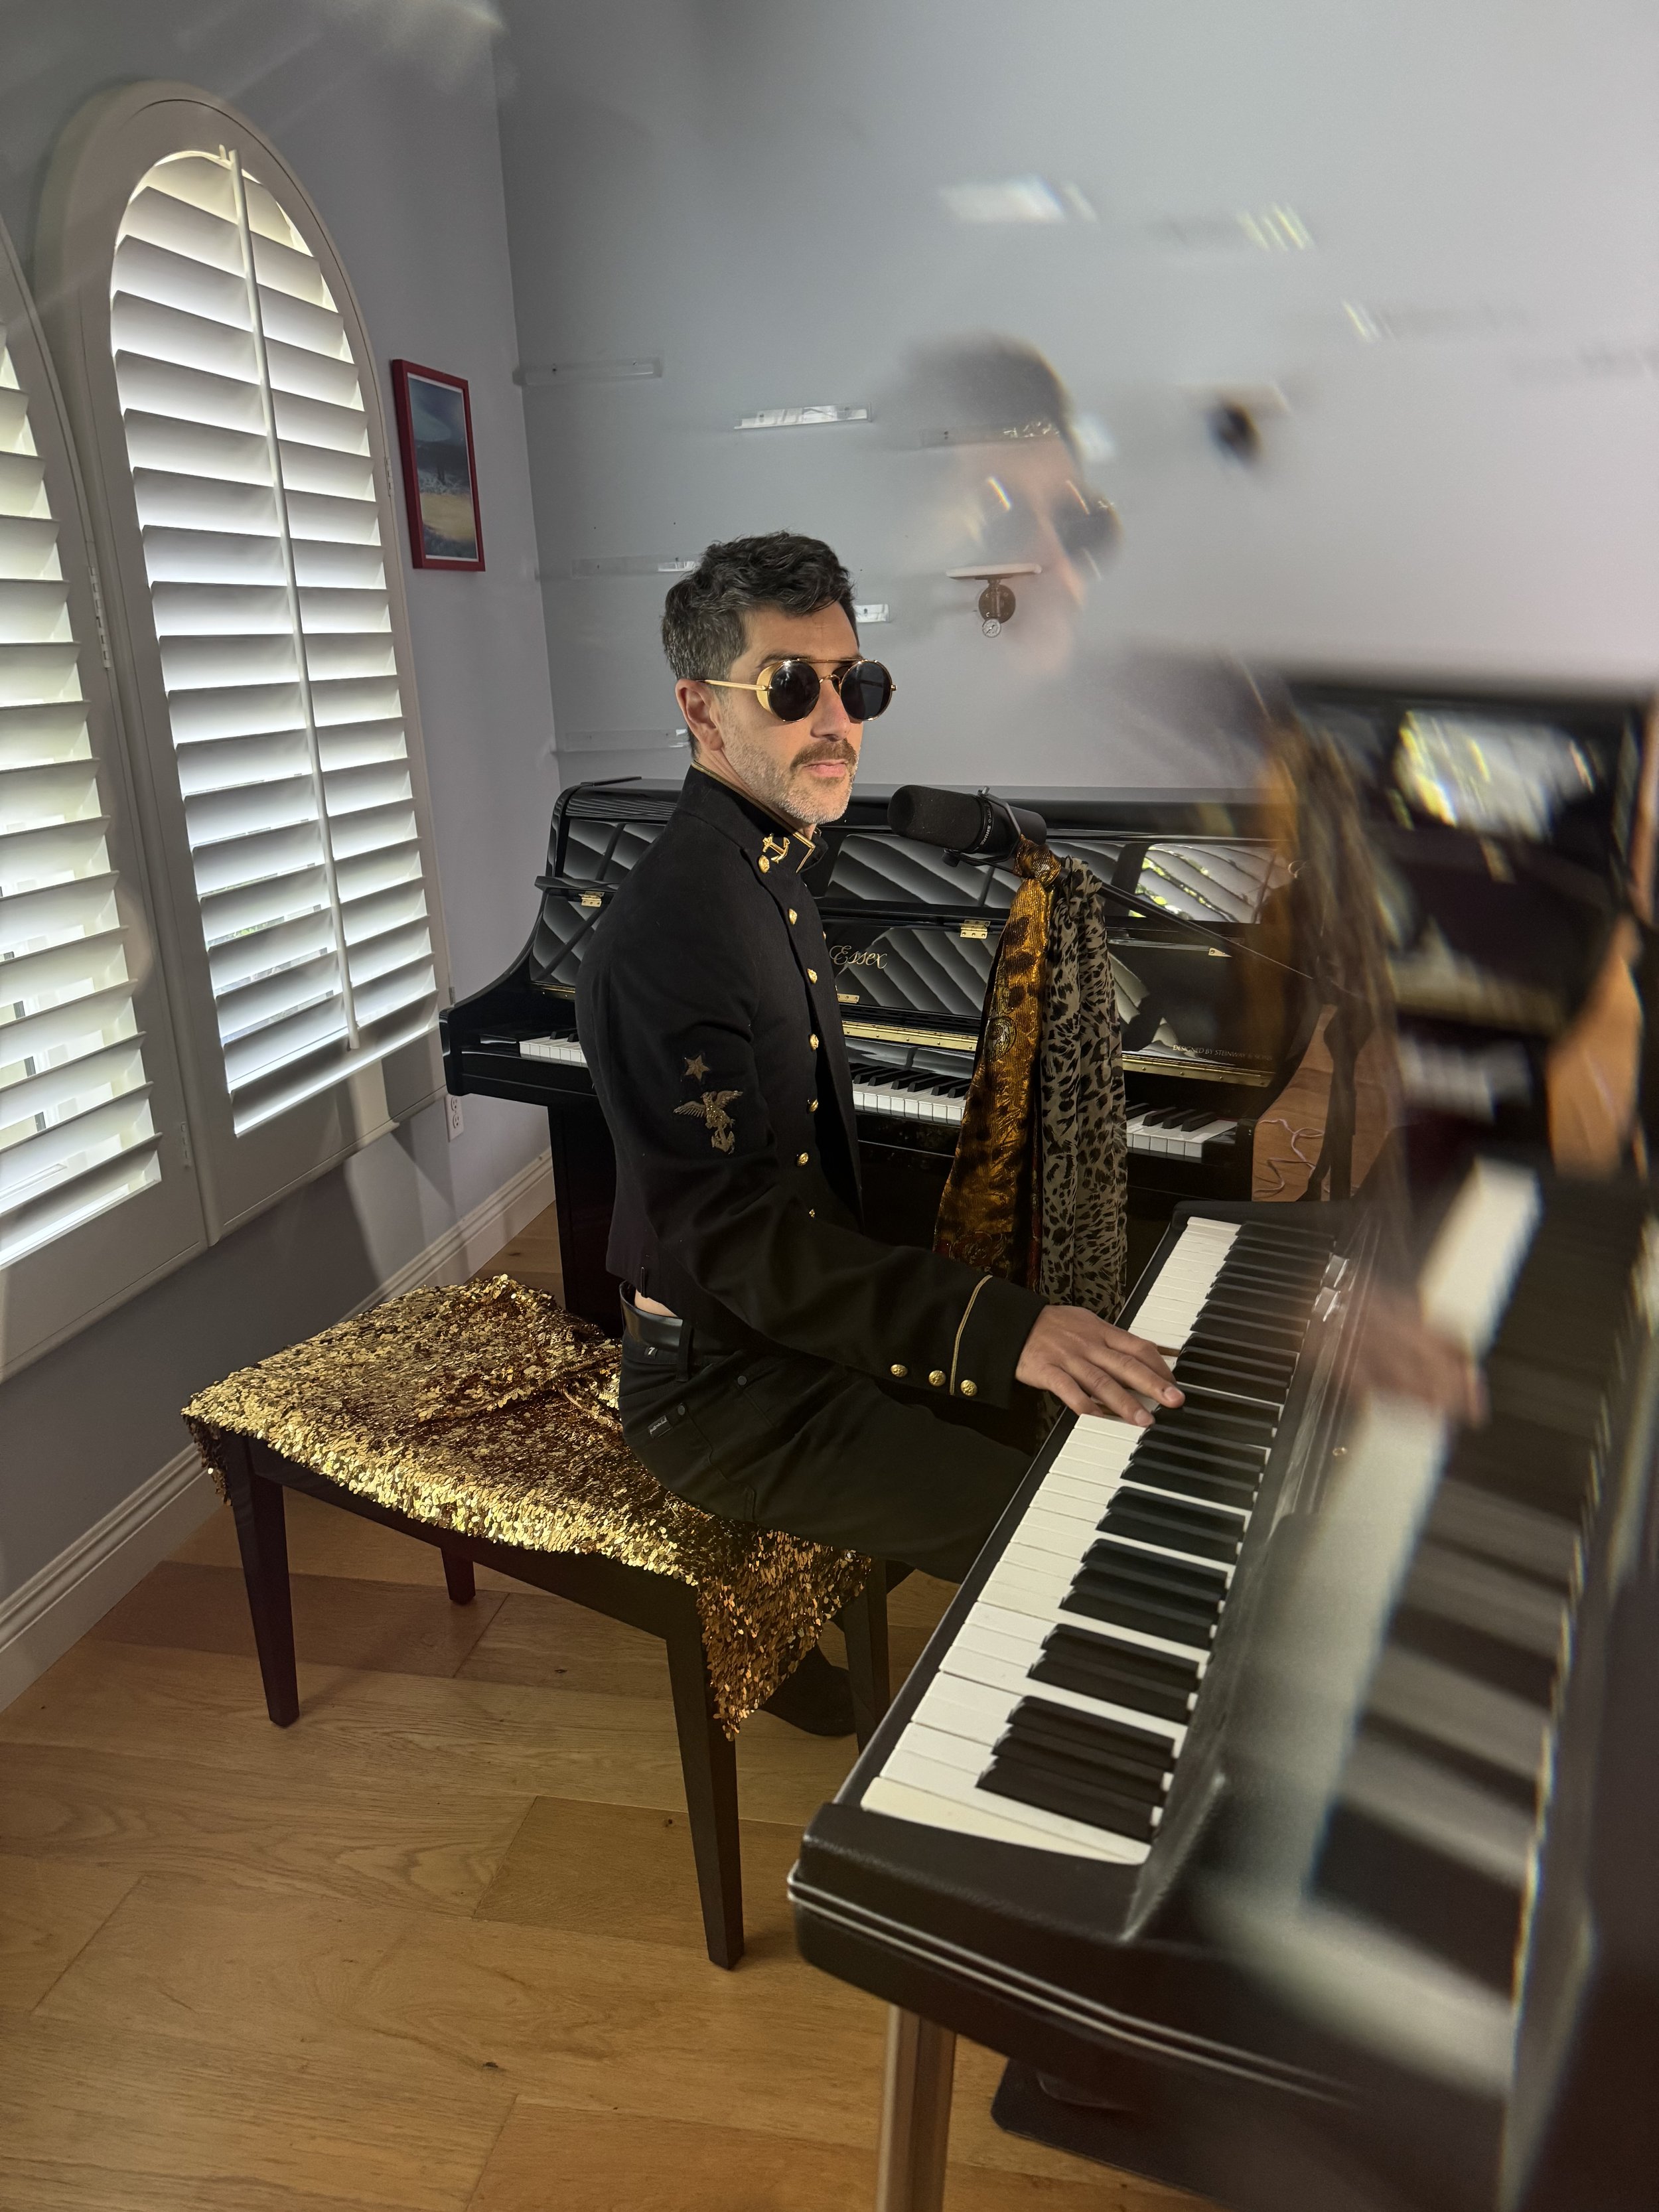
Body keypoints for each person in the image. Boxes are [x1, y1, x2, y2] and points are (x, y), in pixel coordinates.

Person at [575, 531, 1185, 1728]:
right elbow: (741, 1243)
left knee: (1080, 1428)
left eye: (854, 684)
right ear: (700, 708)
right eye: (790, 687)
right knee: (1059, 1524)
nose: (836, 721)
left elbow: (807, 1172)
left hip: (785, 1333)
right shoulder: (671, 933)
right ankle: (1038, 1767)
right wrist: (999, 1324)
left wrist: (999, 1307)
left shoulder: (767, 865)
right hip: (718, 1388)